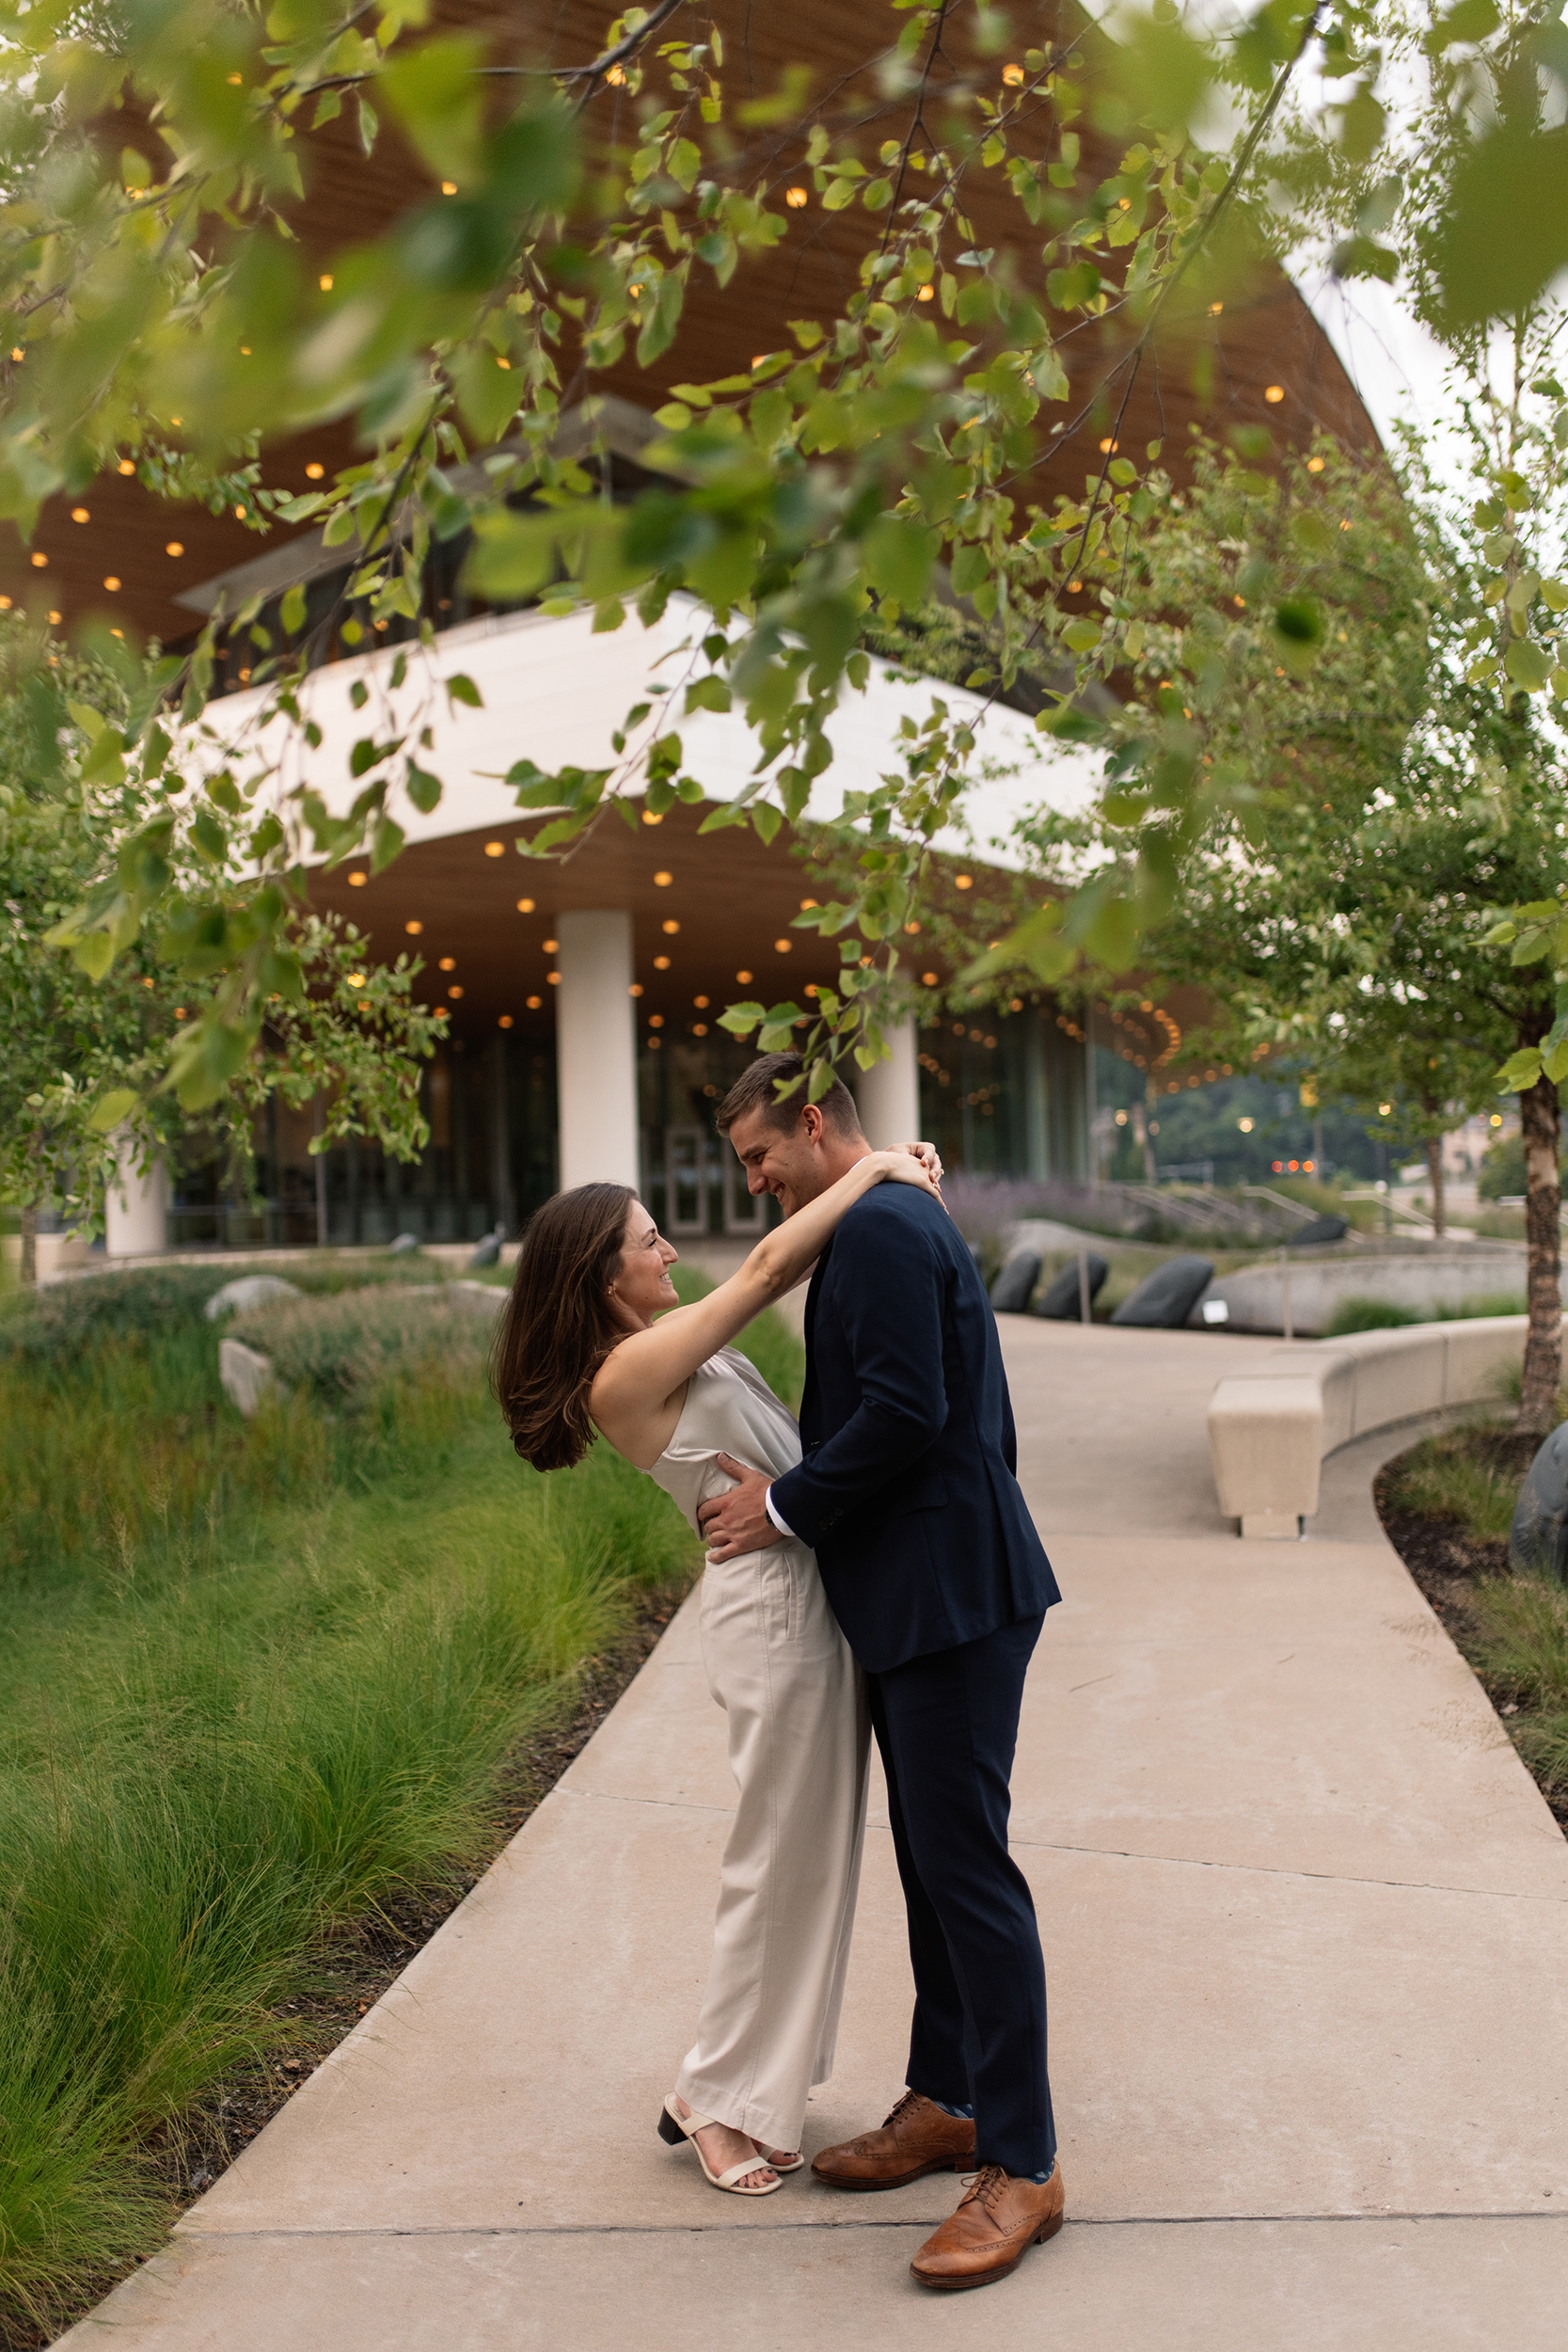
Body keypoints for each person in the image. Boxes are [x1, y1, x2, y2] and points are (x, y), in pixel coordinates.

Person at [490, 1140, 942, 2198]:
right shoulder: (623, 1372)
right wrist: (870, 1171)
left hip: (806, 1601)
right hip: (771, 1621)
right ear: (605, 1275)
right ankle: (710, 2094)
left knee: (813, 1864)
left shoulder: (655, 1341)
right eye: (651, 1240)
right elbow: (765, 1272)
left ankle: (761, 2091)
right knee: (772, 1864)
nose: (671, 1249)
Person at [698, 1052, 1065, 2291]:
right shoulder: (875, 1216)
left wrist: (783, 1505)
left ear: (812, 1125)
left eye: (757, 1157)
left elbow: (909, 1411)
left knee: (966, 1874)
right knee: (930, 1863)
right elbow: (969, 1415)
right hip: (927, 1597)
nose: (751, 1182)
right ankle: (949, 2099)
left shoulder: (889, 1228)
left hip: (953, 1605)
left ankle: (1020, 2163)